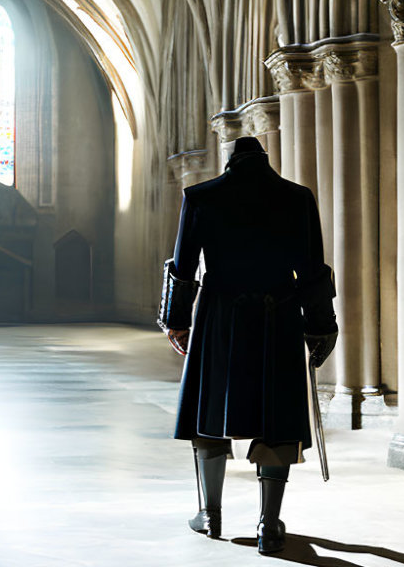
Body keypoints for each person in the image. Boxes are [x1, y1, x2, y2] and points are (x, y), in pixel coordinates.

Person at [157, 136, 338, 554]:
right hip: (279, 316)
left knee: (209, 413)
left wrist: (177, 323)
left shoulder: (200, 197)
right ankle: (269, 524)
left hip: (220, 315)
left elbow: (183, 268)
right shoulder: (296, 198)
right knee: (277, 416)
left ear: (230, 161)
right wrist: (321, 326)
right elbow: (312, 269)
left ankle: (211, 514)